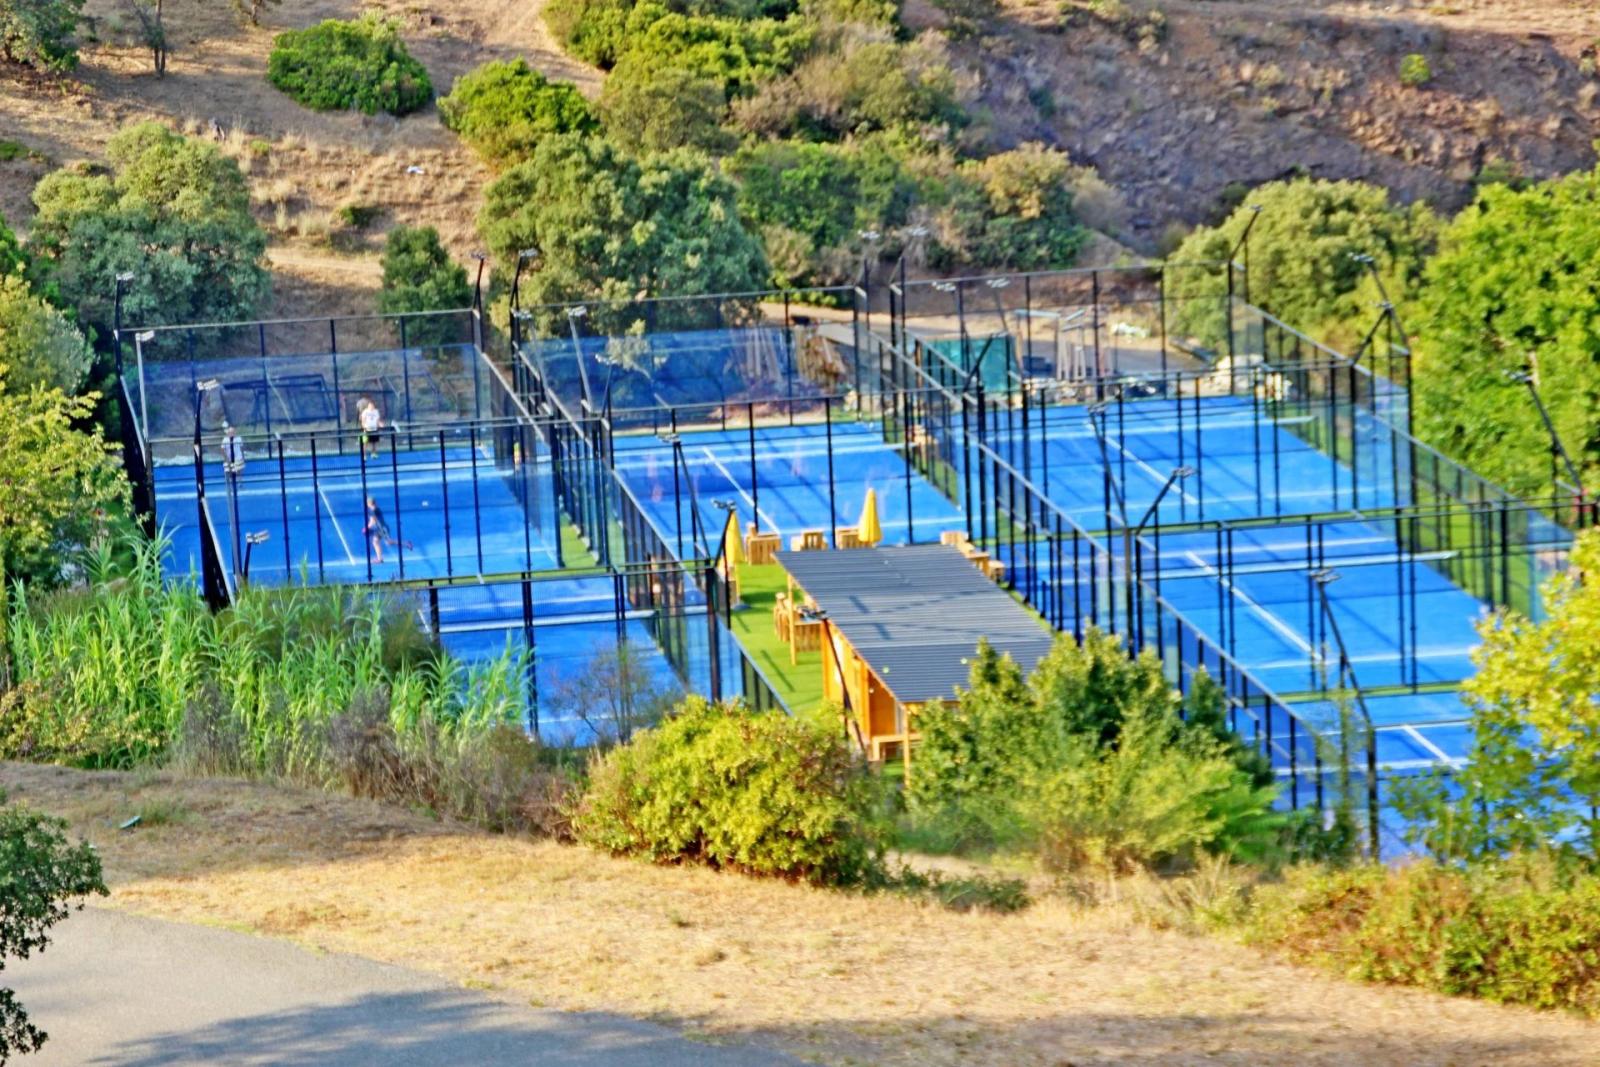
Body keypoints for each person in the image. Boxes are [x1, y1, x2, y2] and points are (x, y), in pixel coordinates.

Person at [364, 496, 413, 564]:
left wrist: (366, 528)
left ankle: (407, 543)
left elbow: (373, 521)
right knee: (375, 542)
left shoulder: (373, 511)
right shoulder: (374, 509)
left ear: (369, 503)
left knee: (388, 542)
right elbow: (372, 520)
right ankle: (379, 559)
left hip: (383, 529)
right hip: (379, 528)